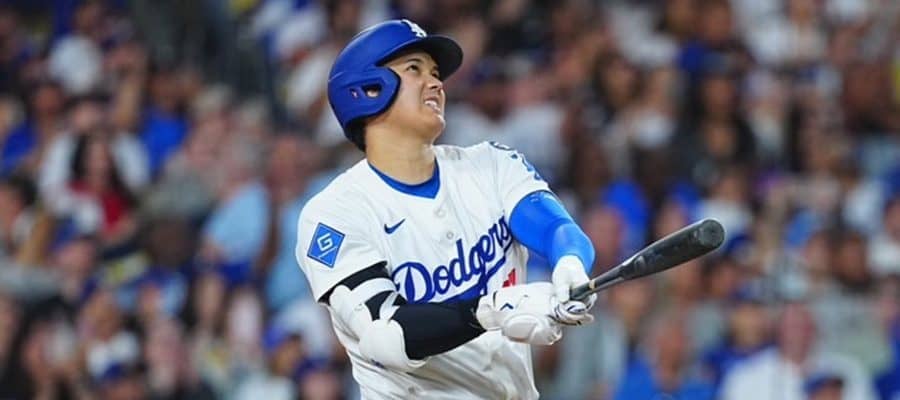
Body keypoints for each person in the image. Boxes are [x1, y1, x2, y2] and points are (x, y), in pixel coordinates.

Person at [295, 19, 597, 399]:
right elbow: (386, 336)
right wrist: (492, 310)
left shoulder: (491, 163)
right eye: (415, 69)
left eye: (436, 73)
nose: (436, 84)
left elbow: (556, 228)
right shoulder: (334, 214)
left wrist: (569, 263)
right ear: (368, 90)